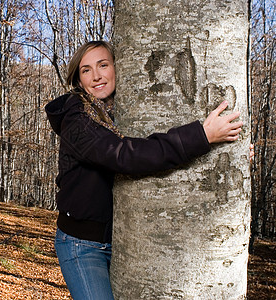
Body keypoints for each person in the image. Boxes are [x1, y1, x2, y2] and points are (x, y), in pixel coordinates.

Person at [44, 41, 243, 300]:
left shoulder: (123, 112)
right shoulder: (77, 120)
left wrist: (232, 155)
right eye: (86, 70)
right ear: (79, 80)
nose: (96, 76)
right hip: (83, 245)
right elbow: (125, 155)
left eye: (103, 65)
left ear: (119, 68)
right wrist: (201, 136)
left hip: (127, 240)